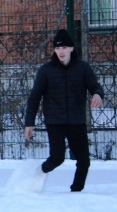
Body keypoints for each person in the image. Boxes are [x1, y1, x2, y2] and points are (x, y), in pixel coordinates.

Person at [24, 28, 104, 192]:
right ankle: (39, 172)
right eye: (58, 48)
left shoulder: (82, 68)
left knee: (84, 161)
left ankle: (76, 191)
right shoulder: (46, 71)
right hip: (55, 122)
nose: (61, 51)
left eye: (64, 48)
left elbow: (95, 86)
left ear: (71, 49)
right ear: (54, 50)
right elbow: (34, 97)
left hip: (77, 121)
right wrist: (29, 123)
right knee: (57, 158)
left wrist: (98, 94)